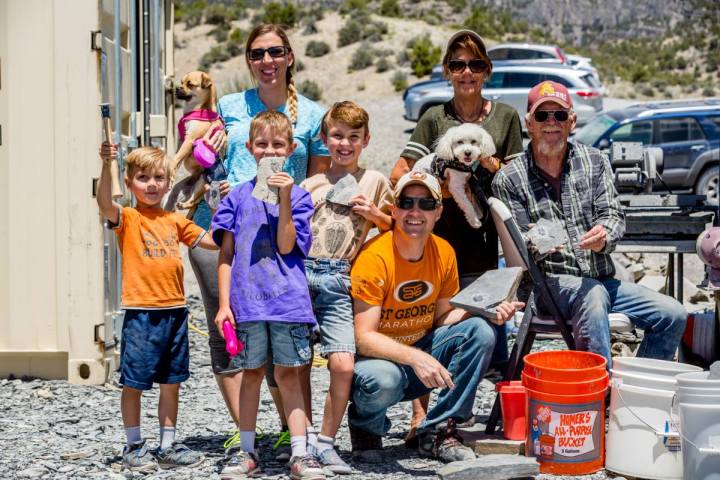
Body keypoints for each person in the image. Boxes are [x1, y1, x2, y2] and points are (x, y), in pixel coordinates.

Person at [188, 23, 330, 459]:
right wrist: (207, 156)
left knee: (287, 333)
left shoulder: (310, 112)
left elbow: (321, 173)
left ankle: (294, 433)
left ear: (290, 57)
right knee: (228, 332)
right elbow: (205, 160)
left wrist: (299, 200)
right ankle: (243, 434)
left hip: (284, 235)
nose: (266, 61)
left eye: (274, 52)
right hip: (224, 229)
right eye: (256, 54)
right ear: (248, 61)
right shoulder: (229, 106)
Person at [492, 80, 687, 366]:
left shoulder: (595, 161)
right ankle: (598, 394)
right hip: (547, 287)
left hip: (601, 280)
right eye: (542, 115)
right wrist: (539, 242)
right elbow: (517, 251)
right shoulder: (509, 179)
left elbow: (613, 215)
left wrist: (604, 235)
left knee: (673, 314)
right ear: (529, 123)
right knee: (591, 295)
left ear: (572, 121)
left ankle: (631, 390)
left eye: (559, 115)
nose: (551, 123)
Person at [389, 28, 524, 442]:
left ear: (487, 70)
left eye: (476, 64)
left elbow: (517, 178)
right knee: (428, 324)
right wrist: (436, 188)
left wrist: (491, 166)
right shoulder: (434, 118)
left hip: (484, 247)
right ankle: (421, 417)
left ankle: (479, 417)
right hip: (433, 244)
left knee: (485, 332)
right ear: (448, 71)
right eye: (458, 64)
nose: (467, 72)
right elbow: (400, 173)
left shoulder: (505, 118)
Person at [348, 171, 523, 463]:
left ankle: (439, 430)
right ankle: (365, 427)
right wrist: (415, 358)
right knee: (385, 379)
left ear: (438, 212)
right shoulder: (374, 257)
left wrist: (486, 312)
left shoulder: (444, 252)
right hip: (378, 363)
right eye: (407, 202)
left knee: (481, 330)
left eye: (426, 204)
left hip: (422, 353)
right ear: (394, 209)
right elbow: (362, 338)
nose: (415, 212)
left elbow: (443, 317)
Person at [212, 111, 325, 480]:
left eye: (278, 145)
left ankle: (300, 453)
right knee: (251, 373)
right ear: (250, 149)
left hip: (288, 304)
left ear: (291, 150)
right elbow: (226, 255)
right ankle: (247, 451)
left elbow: (285, 243)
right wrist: (225, 304)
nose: (270, 151)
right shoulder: (236, 198)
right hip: (247, 304)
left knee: (289, 376)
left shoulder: (302, 198)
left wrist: (286, 198)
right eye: (262, 144)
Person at [96, 144, 217, 471]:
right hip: (141, 314)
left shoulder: (174, 220)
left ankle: (167, 444)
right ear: (130, 182)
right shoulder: (129, 218)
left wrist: (225, 210)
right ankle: (134, 445)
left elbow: (212, 240)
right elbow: (105, 203)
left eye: (158, 178)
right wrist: (107, 164)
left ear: (168, 183)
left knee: (171, 381)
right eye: (143, 177)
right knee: (134, 383)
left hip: (175, 314)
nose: (151, 184)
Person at [300, 101, 393, 473]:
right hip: (303, 274)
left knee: (342, 364)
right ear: (324, 139)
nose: (345, 144)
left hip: (341, 277)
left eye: (353, 137)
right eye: (337, 136)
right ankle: (301, 439)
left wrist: (374, 215)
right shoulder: (310, 184)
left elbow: (395, 228)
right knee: (296, 362)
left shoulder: (375, 181)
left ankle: (326, 440)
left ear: (366, 140)